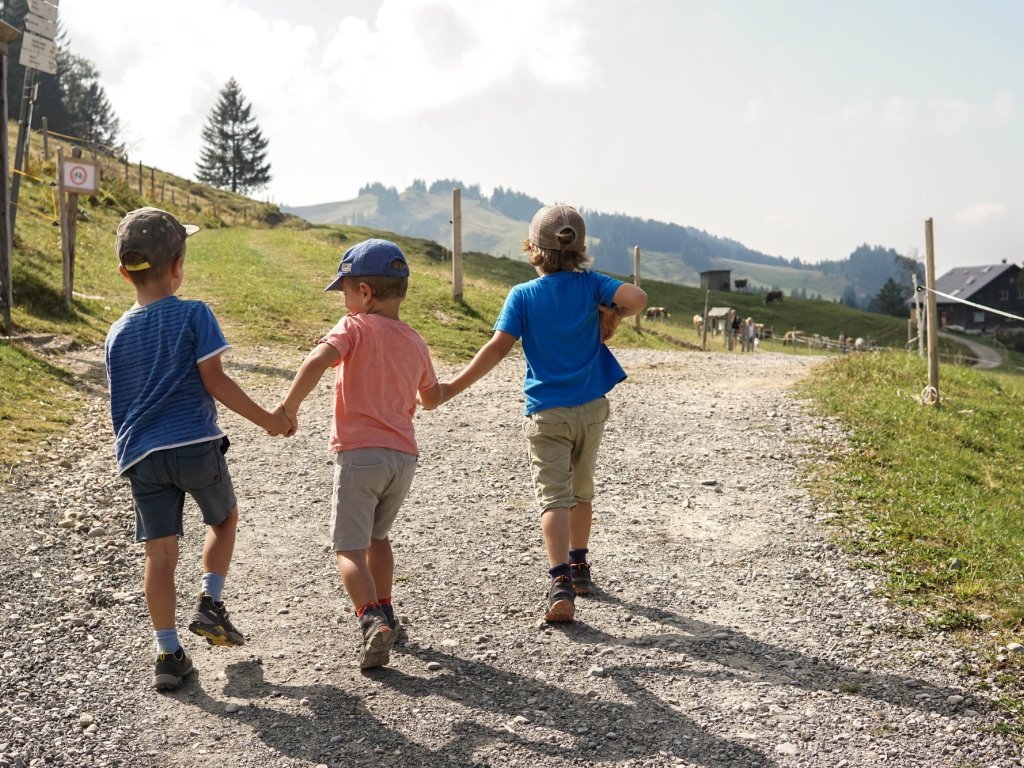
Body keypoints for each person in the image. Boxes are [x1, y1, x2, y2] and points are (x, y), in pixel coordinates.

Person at [104, 207, 293, 691]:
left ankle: (167, 653)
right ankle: (210, 603)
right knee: (223, 518)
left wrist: (132, 453)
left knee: (159, 555)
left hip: (141, 456)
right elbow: (216, 381)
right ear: (179, 264)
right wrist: (269, 419)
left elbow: (120, 403)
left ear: (126, 272)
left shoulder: (116, 333)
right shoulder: (193, 313)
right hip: (193, 444)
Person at [434, 204, 647, 622]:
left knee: (554, 498)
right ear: (581, 248)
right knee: (582, 491)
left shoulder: (523, 295)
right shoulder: (592, 287)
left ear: (532, 248)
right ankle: (581, 566)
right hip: (590, 409)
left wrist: (451, 387)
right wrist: (612, 311)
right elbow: (637, 297)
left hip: (546, 413)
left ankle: (560, 582)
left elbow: (496, 348)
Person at [279, 238, 442, 669]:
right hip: (402, 460)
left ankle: (370, 620)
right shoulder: (415, 339)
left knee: (348, 548)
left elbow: (317, 360)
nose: (345, 300)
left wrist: (288, 407)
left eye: (346, 291)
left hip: (360, 457)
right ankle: (386, 609)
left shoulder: (353, 327)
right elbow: (430, 397)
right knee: (378, 538)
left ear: (365, 293)